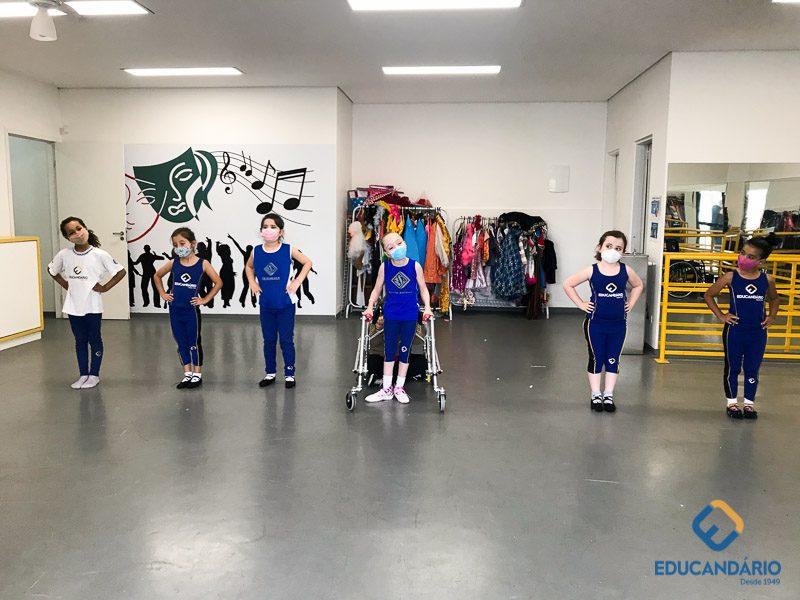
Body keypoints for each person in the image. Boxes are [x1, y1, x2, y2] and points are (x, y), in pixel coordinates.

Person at [562, 230, 644, 412]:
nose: (613, 251)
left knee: (613, 359)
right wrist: (581, 304)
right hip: (595, 324)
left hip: (618, 325)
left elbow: (638, 285)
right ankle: (595, 394)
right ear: (599, 248)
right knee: (597, 358)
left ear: (623, 252)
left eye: (618, 248)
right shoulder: (592, 270)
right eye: (609, 246)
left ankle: (608, 395)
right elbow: (568, 284)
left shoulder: (626, 270)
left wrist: (631, 303)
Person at [703, 236, 779, 419]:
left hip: (758, 332)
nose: (744, 258)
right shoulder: (731, 277)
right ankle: (732, 403)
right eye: (743, 253)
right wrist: (721, 315)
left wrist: (771, 317)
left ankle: (749, 404)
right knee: (733, 367)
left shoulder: (767, 280)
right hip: (735, 331)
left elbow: (775, 298)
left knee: (752, 368)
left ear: (761, 261)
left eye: (751, 257)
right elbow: (709, 295)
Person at [48, 217, 126, 389]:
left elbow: (120, 272)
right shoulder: (64, 255)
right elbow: (52, 270)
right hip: (73, 306)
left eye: (79, 228)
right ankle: (83, 374)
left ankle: (94, 375)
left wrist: (105, 287)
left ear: (85, 228)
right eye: (71, 233)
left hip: (92, 306)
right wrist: (66, 284)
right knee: (80, 340)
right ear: (68, 238)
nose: (78, 234)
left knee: (94, 339)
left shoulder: (100, 255)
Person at [363, 232, 433, 404]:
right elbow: (377, 289)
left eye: (399, 243)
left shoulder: (415, 266)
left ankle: (399, 388)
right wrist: (370, 306)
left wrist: (428, 308)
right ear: (387, 253)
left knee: (404, 350)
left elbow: (423, 288)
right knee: (389, 350)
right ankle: (386, 389)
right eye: (391, 247)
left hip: (409, 315)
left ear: (405, 243)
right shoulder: (385, 267)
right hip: (391, 315)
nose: (397, 248)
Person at [246, 213, 313, 389]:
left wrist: (297, 281)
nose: (269, 230)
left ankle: (289, 373)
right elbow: (249, 267)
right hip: (266, 304)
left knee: (286, 340)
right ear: (261, 231)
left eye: (273, 227)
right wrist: (252, 282)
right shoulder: (256, 251)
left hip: (285, 304)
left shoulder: (288, 249)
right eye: (265, 227)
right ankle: (270, 373)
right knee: (268, 340)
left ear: (280, 231)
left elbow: (307, 263)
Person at [154, 227, 222, 389]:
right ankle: (187, 374)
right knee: (181, 342)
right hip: (175, 310)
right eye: (175, 245)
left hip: (191, 311)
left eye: (182, 243)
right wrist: (163, 293)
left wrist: (205, 299)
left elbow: (218, 282)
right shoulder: (173, 263)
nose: (179, 247)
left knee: (193, 342)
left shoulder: (203, 264)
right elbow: (157, 275)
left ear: (192, 244)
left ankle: (197, 374)